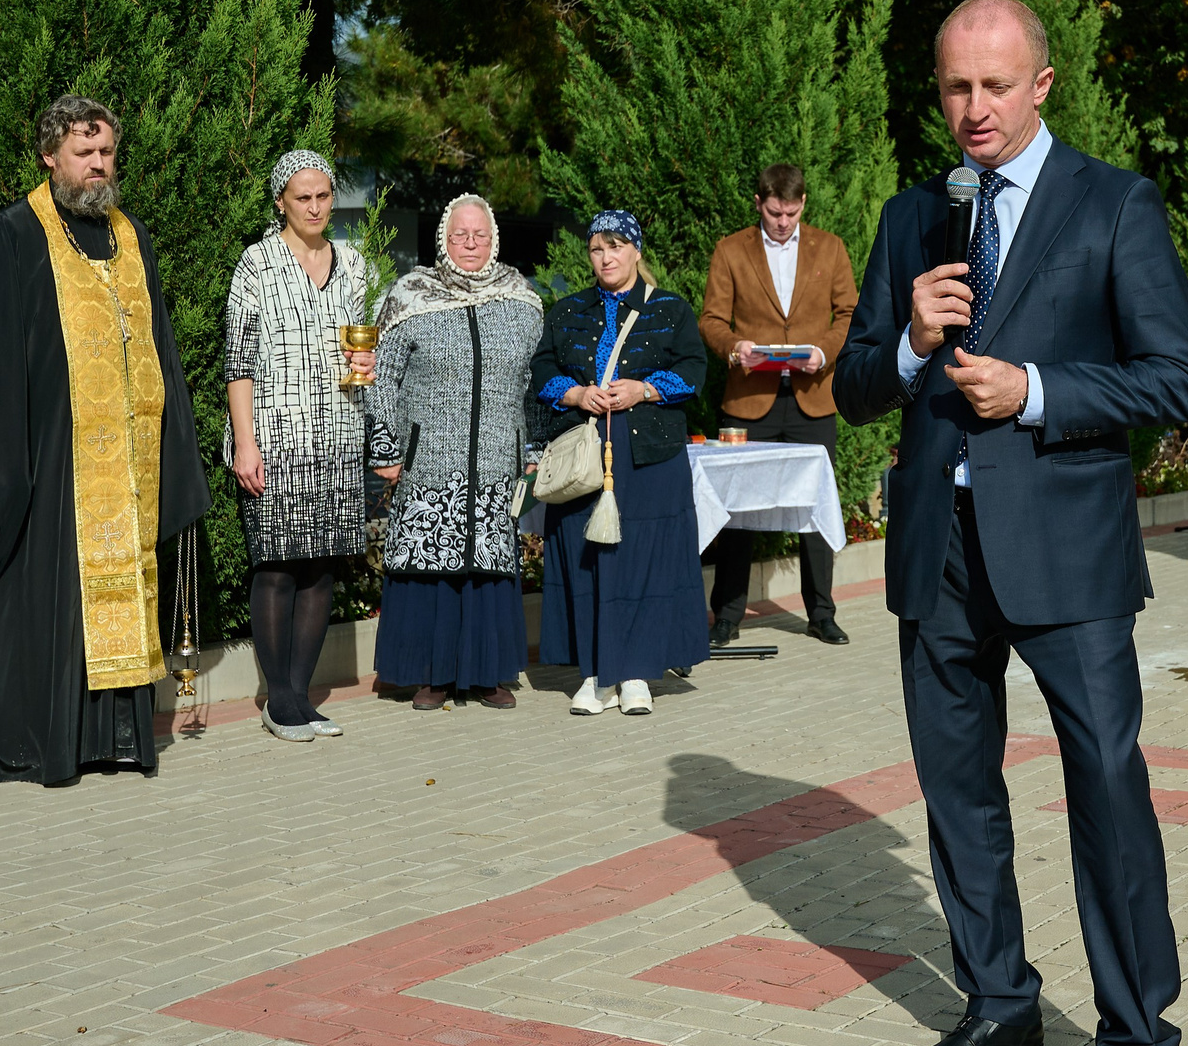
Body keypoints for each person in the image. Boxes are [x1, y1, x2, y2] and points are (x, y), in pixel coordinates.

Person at [836, 0, 1188, 1046]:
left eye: (995, 86)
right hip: (937, 556)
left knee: (1105, 785)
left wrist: (1039, 394)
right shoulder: (915, 216)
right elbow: (853, 389)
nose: (974, 109)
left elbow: (1176, 380)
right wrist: (906, 343)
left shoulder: (1113, 204)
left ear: (1041, 85)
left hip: (1068, 552)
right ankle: (998, 1006)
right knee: (958, 796)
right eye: (955, 87)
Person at [0, 95, 212, 788]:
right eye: (85, 153)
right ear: (50, 157)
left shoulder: (132, 238)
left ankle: (109, 741)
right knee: (41, 605)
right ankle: (32, 744)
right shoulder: (9, 236)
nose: (98, 165)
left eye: (106, 151)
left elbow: (159, 350)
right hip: (43, 466)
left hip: (123, 472)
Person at [364, 195, 544, 710]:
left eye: (479, 235)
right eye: (459, 234)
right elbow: (382, 380)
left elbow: (533, 384)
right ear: (444, 238)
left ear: (494, 240)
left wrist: (531, 447)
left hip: (496, 461)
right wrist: (385, 446)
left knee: (488, 567)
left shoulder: (521, 301)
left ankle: (487, 676)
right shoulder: (409, 295)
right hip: (427, 462)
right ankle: (431, 676)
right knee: (429, 567)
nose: (470, 244)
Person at [224, 149, 378, 743]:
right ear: (281, 202)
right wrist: (245, 443)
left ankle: (303, 695)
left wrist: (365, 360)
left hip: (339, 433)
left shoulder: (356, 264)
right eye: (301, 198)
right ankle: (279, 699)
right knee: (278, 565)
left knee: (320, 569)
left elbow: (358, 352)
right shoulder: (256, 265)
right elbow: (237, 363)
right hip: (275, 436)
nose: (315, 207)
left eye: (322, 196)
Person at [533, 211, 710, 715]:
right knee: (587, 562)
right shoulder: (567, 311)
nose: (606, 257)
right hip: (585, 460)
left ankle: (635, 673)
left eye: (616, 246)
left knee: (644, 564)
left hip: (651, 459)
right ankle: (592, 672)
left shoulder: (671, 309)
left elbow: (694, 370)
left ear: (636, 251)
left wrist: (645, 388)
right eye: (596, 249)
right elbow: (541, 369)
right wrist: (575, 393)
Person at [698, 164, 860, 646]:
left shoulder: (829, 248)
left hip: (813, 397)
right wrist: (735, 348)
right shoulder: (731, 250)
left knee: (814, 507)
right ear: (758, 203)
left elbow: (851, 312)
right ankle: (726, 615)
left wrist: (824, 351)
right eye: (774, 213)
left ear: (803, 204)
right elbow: (710, 318)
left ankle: (822, 614)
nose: (783, 221)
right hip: (749, 398)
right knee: (736, 512)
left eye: (791, 212)